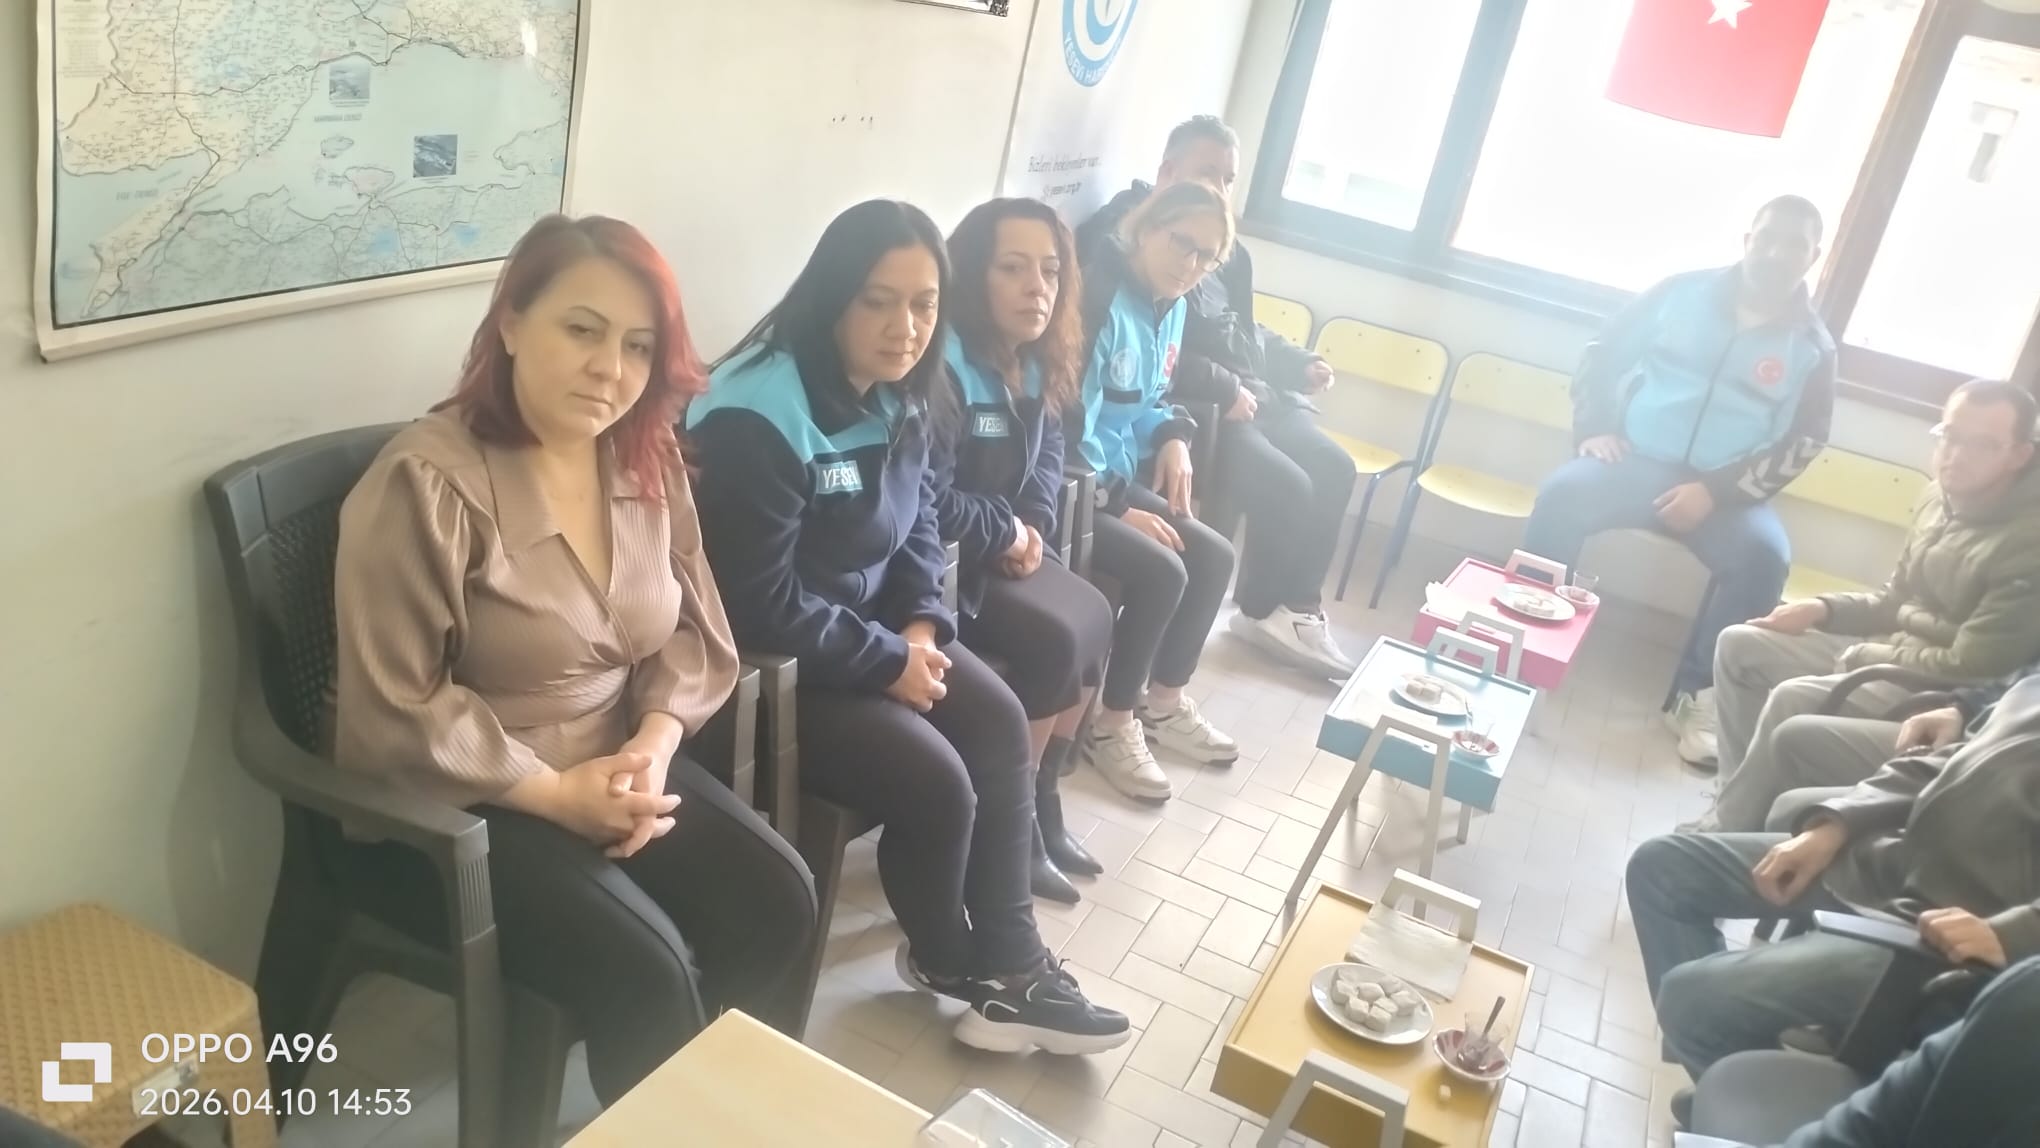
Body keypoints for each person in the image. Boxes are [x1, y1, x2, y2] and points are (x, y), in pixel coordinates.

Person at [331, 215, 817, 1105]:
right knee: (647, 973)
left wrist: (654, 746)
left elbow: (695, 626)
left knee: (780, 899)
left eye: (638, 346)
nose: (610, 369)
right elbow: (395, 703)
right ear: (511, 323)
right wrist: (555, 794)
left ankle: (721, 1113)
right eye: (582, 330)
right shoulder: (428, 482)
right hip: (466, 798)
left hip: (619, 758)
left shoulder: (643, 457)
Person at [685, 199, 1130, 1055]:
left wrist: (924, 624)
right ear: (832, 298)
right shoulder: (758, 410)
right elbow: (754, 603)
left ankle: (1013, 964)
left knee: (998, 721)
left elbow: (919, 520)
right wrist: (888, 660)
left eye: (925, 304)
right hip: (771, 672)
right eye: (878, 302)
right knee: (937, 783)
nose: (906, 328)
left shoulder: (905, 390)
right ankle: (955, 964)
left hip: (869, 638)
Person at [1522, 196, 1838, 768]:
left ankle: (1699, 701)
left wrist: (1717, 491)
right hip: (1637, 460)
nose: (1775, 252)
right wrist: (1595, 427)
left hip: (1730, 491)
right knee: (1561, 496)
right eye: (1767, 237)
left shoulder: (1812, 346)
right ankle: (1524, 656)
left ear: (1813, 256)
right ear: (1747, 239)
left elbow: (1805, 441)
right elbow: (1604, 351)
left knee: (1765, 558)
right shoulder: (1680, 293)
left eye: (1794, 244)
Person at [1624, 668, 2040, 1081]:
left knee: (1690, 1000)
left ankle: (1740, 1080)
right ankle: (1731, 1076)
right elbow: (1949, 761)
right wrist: (1836, 825)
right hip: (1893, 865)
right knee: (1663, 869)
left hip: (1948, 942)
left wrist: (2013, 936)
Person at [1078, 116, 1358, 678]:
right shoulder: (1124, 253)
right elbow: (1146, 367)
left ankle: (1296, 609)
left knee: (1334, 464)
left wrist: (1296, 362)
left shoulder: (1219, 255)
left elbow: (1243, 333)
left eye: (1228, 179)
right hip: (1203, 410)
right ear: (1167, 174)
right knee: (1286, 487)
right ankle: (1258, 612)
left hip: (1238, 398)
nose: (1220, 189)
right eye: (1208, 173)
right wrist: (1219, 394)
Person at [1697, 378, 2040, 830]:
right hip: (1890, 652)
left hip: (1935, 686)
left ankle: (1726, 832)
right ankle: (1740, 805)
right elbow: (1894, 598)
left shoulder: (2028, 544)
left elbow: (1973, 667)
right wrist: (1823, 609)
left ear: (2019, 455)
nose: (1956, 455)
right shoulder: (1940, 495)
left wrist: (1865, 655)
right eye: (1950, 436)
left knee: (1792, 698)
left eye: (1983, 445)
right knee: (1739, 644)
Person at [929, 198, 1116, 904]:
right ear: (973, 275)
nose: (1037, 287)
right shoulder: (944, 365)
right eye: (1012, 268)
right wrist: (1003, 532)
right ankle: (1016, 831)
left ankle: (1043, 798)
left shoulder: (1035, 358)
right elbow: (929, 499)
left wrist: (1032, 525)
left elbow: (1050, 452)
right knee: (1054, 639)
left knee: (1095, 616)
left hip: (1006, 547)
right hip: (947, 570)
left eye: (1050, 270)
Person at [1074, 180, 1242, 803]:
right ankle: (1111, 724)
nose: (1191, 265)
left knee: (1215, 556)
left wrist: (1174, 434)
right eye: (1182, 243)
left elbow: (1148, 398)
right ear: (1147, 230)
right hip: (1071, 488)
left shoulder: (1169, 306)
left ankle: (1163, 704)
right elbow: (1064, 432)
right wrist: (1117, 506)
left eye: (1207, 257)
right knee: (1163, 569)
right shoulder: (1097, 300)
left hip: (1117, 477)